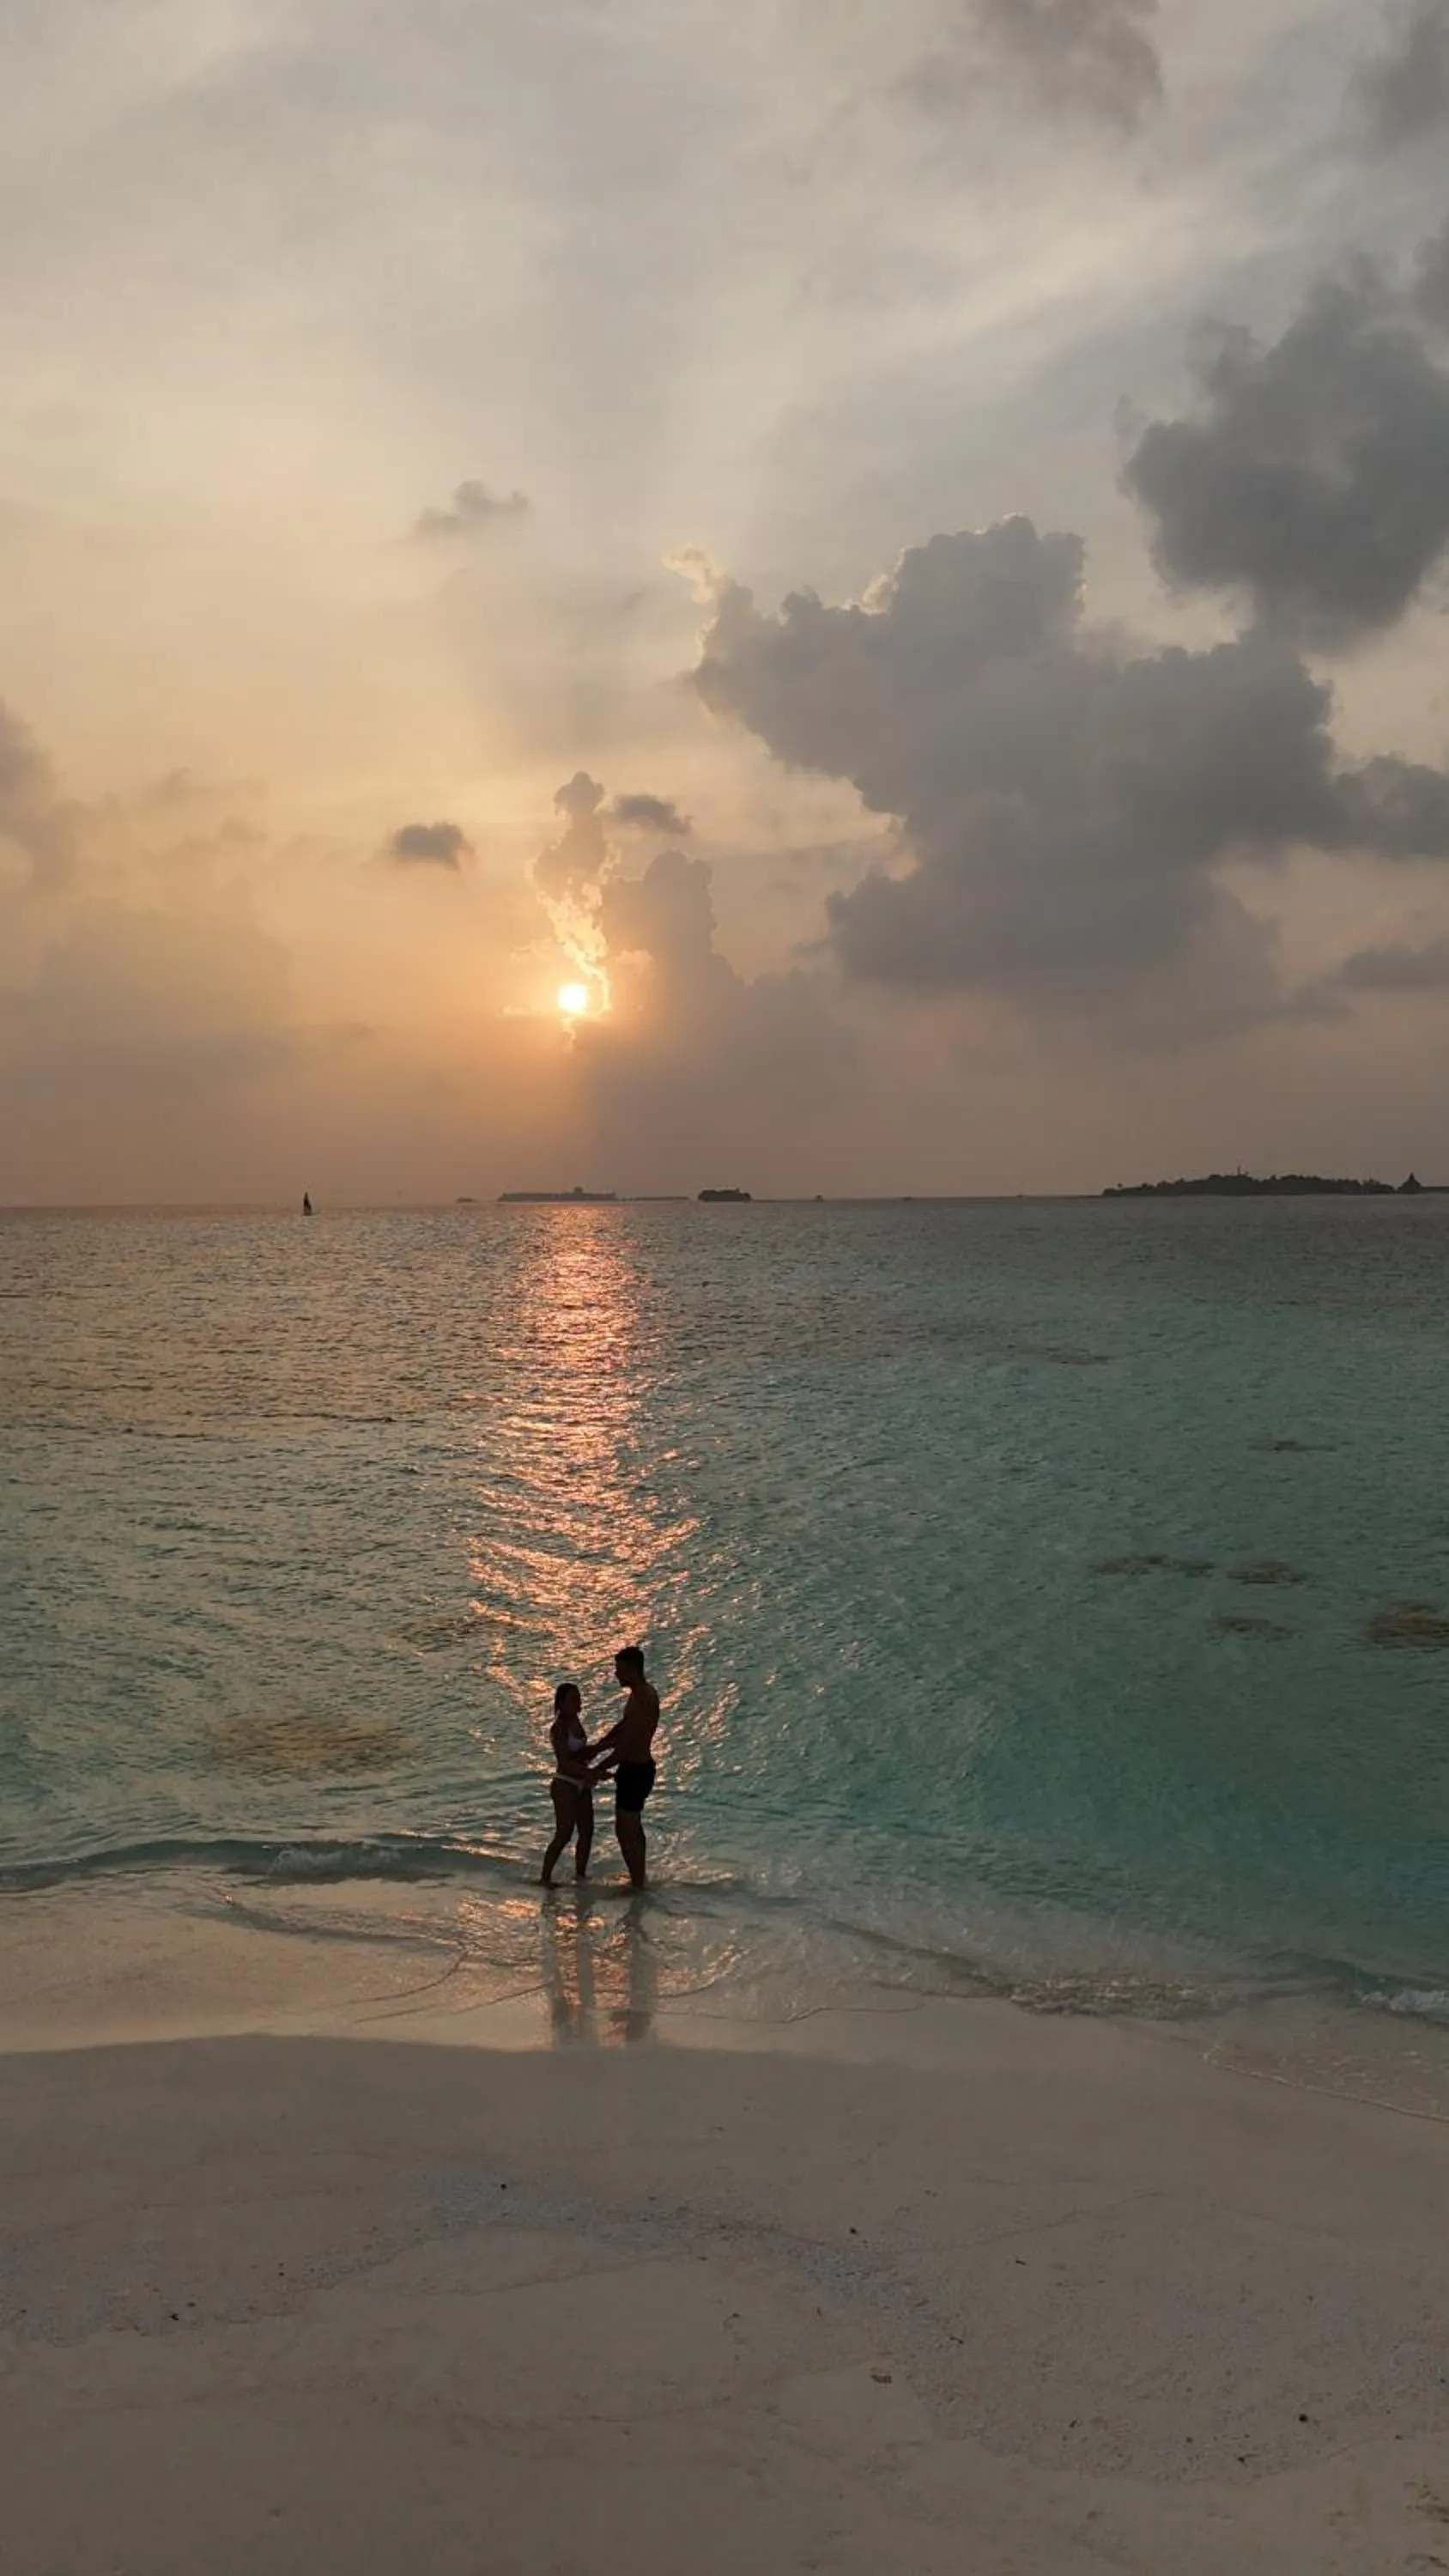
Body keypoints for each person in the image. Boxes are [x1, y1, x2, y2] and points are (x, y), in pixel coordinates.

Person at [593, 1643, 659, 1890]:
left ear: (632, 1669)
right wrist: (598, 1746)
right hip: (636, 1768)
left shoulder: (643, 1698)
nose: (616, 1675)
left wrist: (598, 1769)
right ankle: (639, 1878)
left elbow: (627, 1747)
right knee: (633, 1826)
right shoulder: (640, 1694)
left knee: (625, 1829)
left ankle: (637, 1884)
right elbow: (624, 1727)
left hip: (636, 1770)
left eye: (619, 1670)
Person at [538, 1682, 609, 1886]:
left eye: (579, 1697)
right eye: (573, 1699)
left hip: (582, 1783)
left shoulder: (577, 1721)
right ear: (561, 1704)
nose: (578, 1701)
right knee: (564, 1833)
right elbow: (565, 1762)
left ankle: (580, 1875)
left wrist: (603, 1746)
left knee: (587, 1831)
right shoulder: (558, 1727)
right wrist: (592, 1772)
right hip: (565, 1784)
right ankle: (545, 1878)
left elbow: (580, 1753)